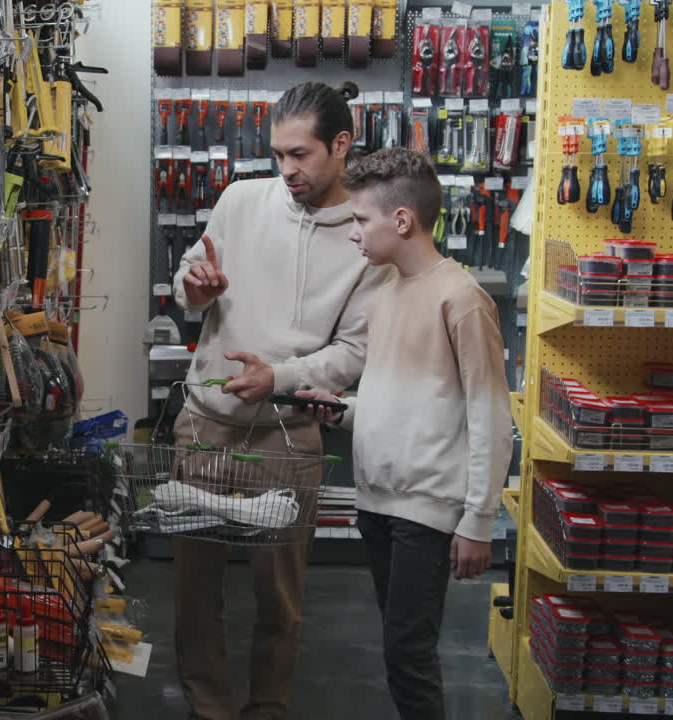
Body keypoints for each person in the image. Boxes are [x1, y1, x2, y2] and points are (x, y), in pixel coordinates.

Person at [170, 80, 391, 720]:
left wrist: (283, 376)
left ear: (341, 145)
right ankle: (206, 707)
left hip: (287, 436)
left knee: (281, 599)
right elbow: (190, 278)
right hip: (205, 427)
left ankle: (268, 708)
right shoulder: (241, 200)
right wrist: (196, 288)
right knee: (194, 593)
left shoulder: (365, 234)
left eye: (300, 155)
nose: (286, 170)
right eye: (279, 155)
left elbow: (354, 349)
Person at [299, 147, 513, 720]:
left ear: (401, 220)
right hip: (377, 503)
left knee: (408, 655)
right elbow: (399, 397)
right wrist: (342, 412)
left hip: (428, 508)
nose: (354, 235)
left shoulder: (462, 299)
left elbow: (491, 415)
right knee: (402, 654)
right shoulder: (385, 295)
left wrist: (478, 520)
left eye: (361, 221)